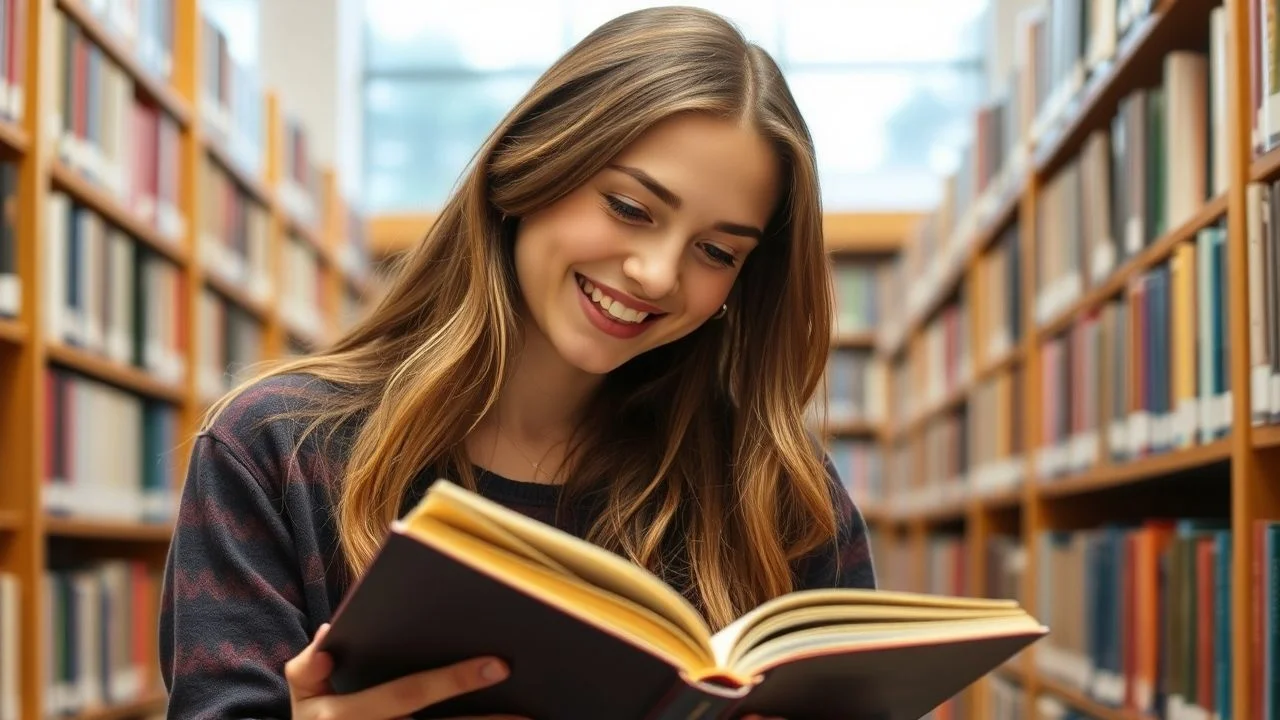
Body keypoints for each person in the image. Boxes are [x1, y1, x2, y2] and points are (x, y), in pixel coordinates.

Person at [159, 6, 876, 719]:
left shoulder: (777, 494)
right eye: (629, 206)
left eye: (718, 252)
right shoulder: (276, 449)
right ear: (532, 164)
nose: (657, 274)